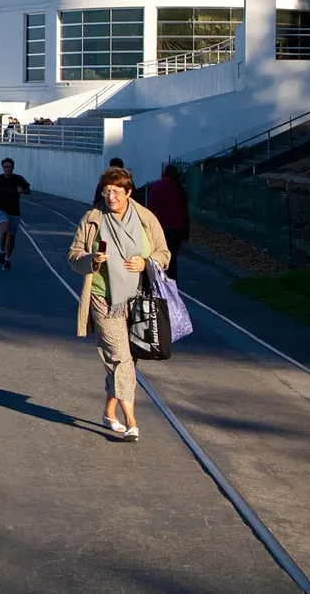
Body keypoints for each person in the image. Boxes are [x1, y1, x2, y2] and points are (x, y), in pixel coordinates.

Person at [68, 166, 171, 441]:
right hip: (103, 298)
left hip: (139, 300)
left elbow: (164, 254)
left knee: (129, 360)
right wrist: (91, 260)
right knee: (120, 357)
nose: (110, 196)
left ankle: (108, 411)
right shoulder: (92, 218)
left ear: (128, 192)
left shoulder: (146, 218)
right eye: (106, 191)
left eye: (116, 191)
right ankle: (132, 421)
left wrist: (146, 262)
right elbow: (73, 255)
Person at [145, 164, 191, 281]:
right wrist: (186, 231)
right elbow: (185, 212)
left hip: (162, 227)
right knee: (173, 258)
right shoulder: (180, 189)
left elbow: (150, 209)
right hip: (177, 229)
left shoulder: (157, 187)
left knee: (160, 254)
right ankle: (171, 282)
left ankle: (159, 281)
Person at [0, 157, 31, 270]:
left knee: (12, 238)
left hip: (14, 212)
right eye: (5, 167)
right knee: (4, 228)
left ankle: (8, 259)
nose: (7, 169)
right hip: (0, 209)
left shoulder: (18, 179)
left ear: (12, 168)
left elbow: (28, 191)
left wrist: (21, 191)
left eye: (9, 167)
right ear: (2, 168)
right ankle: (2, 251)